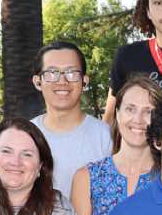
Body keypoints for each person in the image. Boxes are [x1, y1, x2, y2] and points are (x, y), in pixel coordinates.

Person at [74, 75, 162, 215]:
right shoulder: (88, 177)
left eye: (148, 112)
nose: (138, 119)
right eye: (130, 109)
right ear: (117, 114)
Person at [30, 40, 113, 191]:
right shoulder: (26, 136)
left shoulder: (105, 137)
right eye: (52, 73)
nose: (62, 81)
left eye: (71, 73)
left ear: (84, 81)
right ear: (37, 82)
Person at [0, 117, 81, 215]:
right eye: (6, 151)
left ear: (40, 165)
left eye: (27, 154)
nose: (15, 162)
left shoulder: (59, 210)